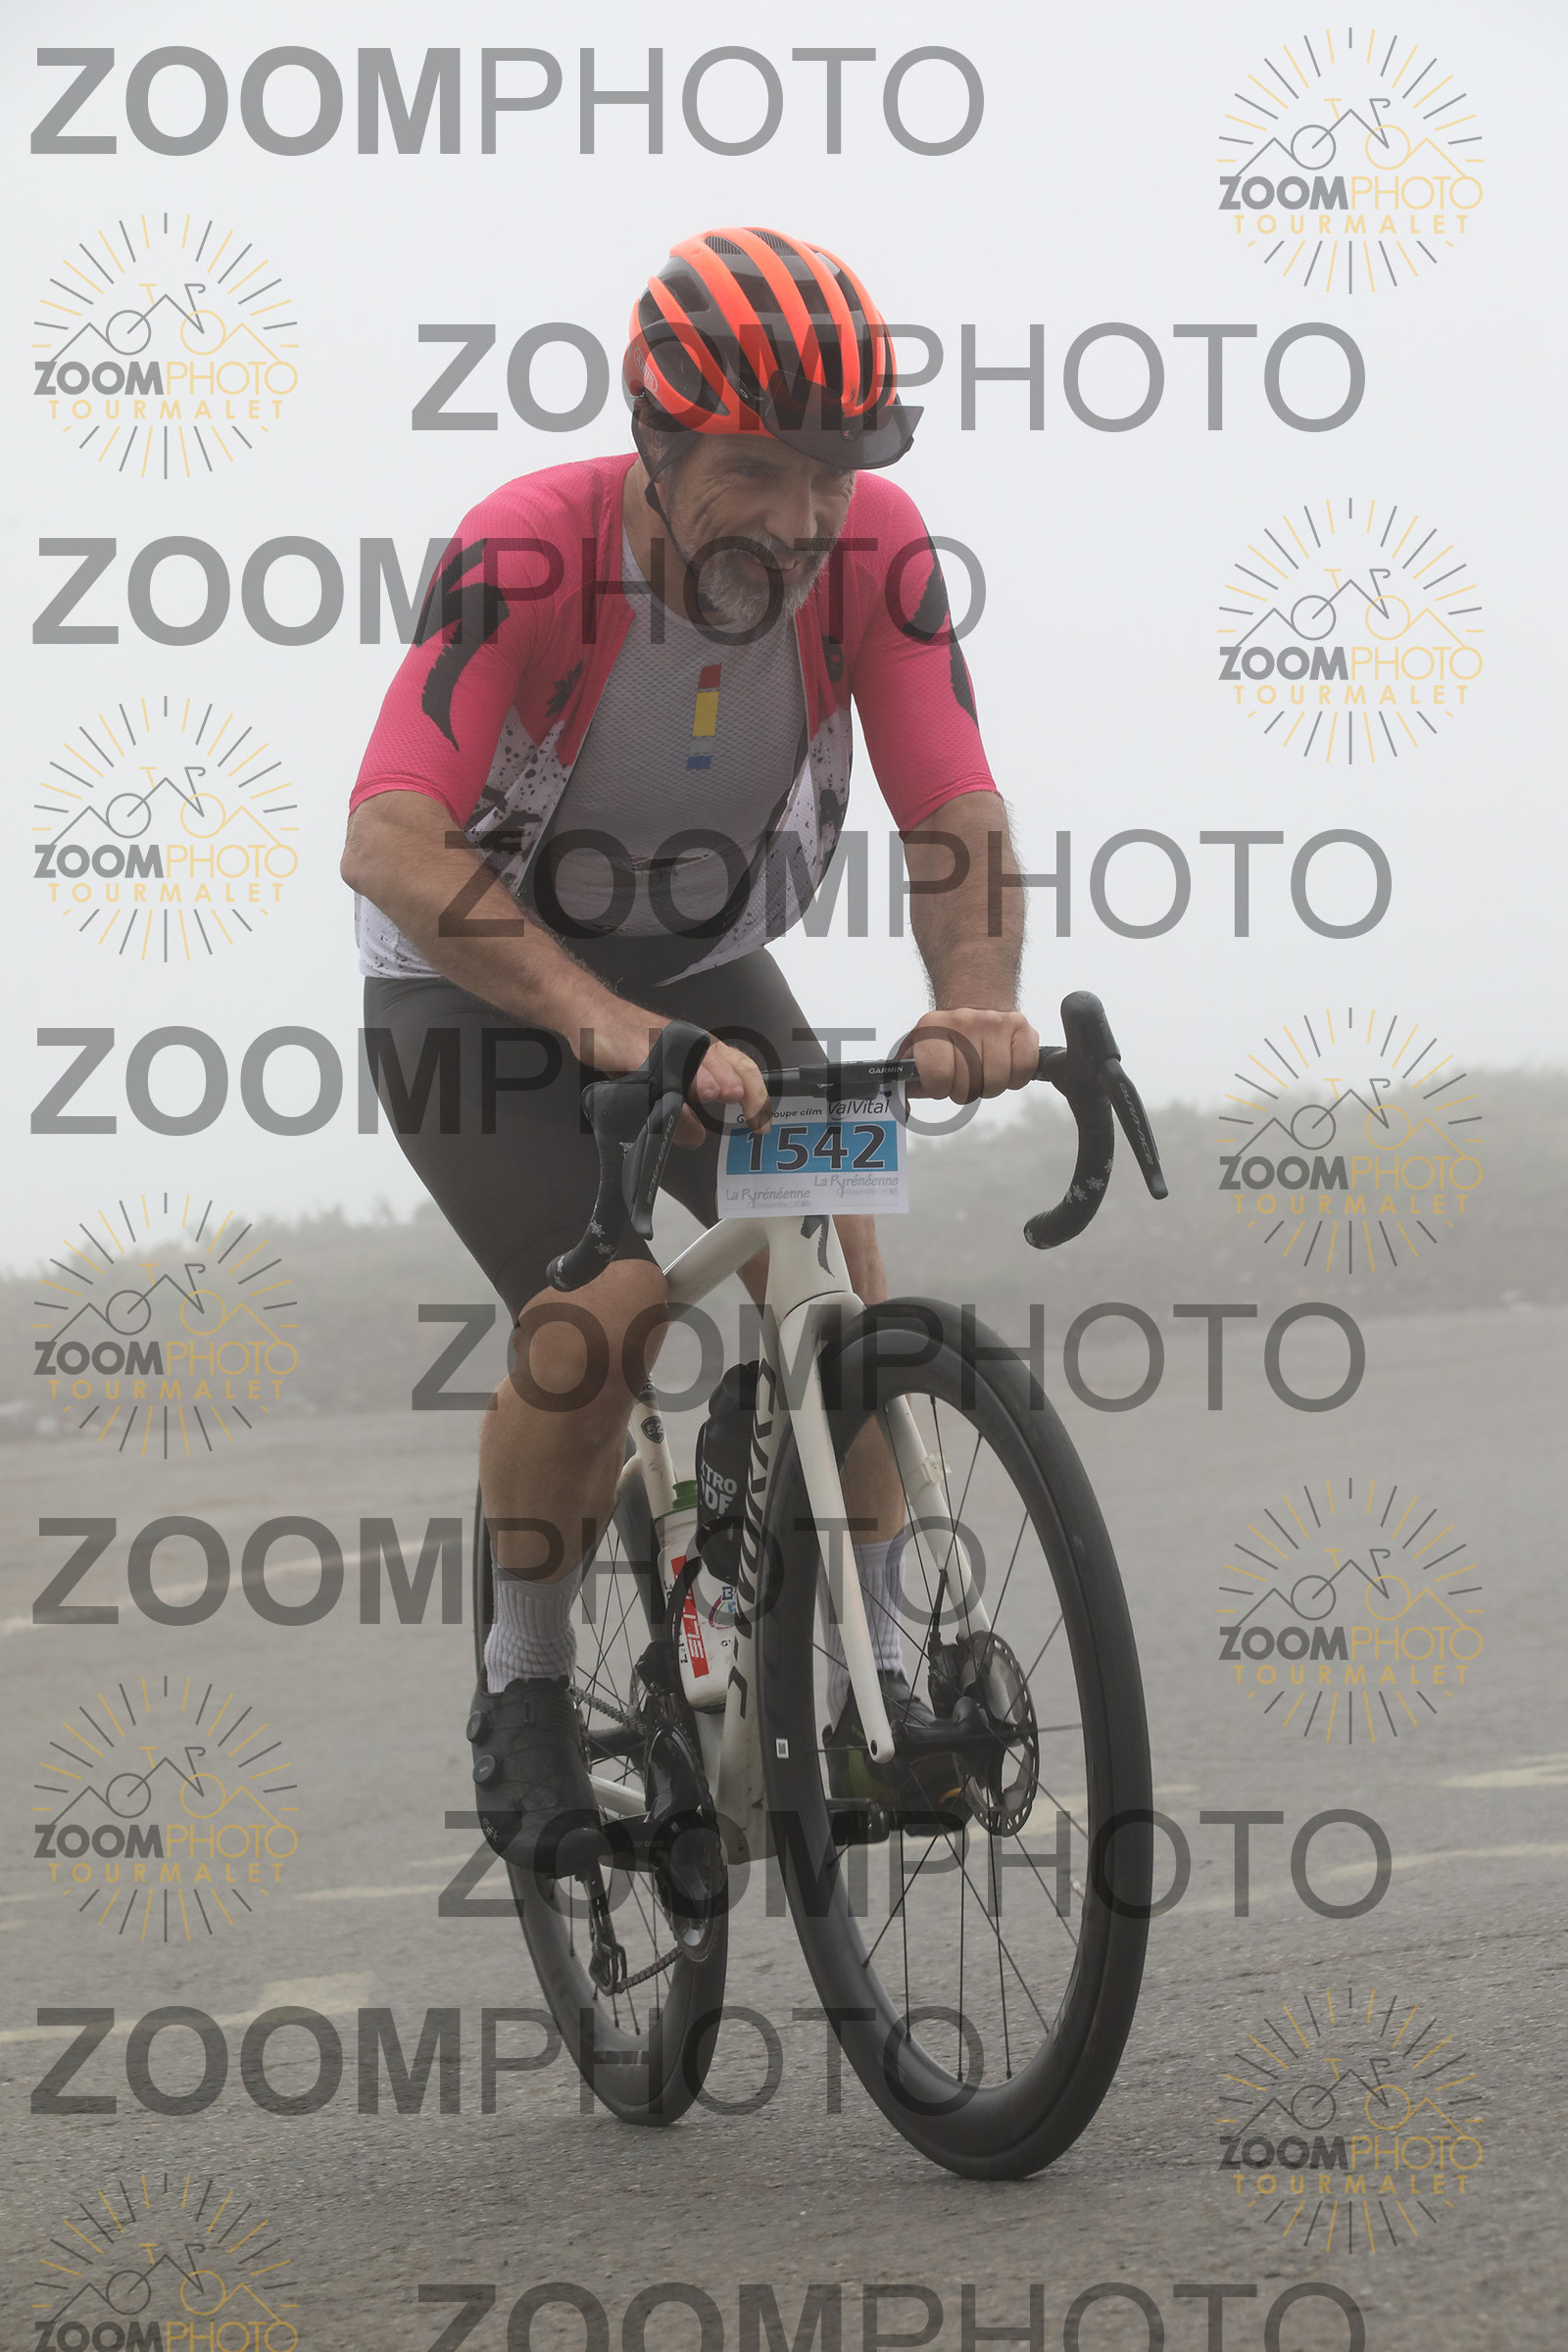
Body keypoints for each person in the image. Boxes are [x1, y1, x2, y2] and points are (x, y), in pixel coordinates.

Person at [340, 225, 1039, 1871]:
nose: (798, 522)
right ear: (654, 440)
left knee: (841, 1287)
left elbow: (953, 807)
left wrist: (976, 997)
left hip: (703, 965)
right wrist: (600, 1021)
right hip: (472, 986)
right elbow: (387, 838)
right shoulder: (530, 551)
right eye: (756, 472)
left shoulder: (876, 554)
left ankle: (878, 1692)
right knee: (610, 1315)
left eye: (829, 477)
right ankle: (523, 1685)